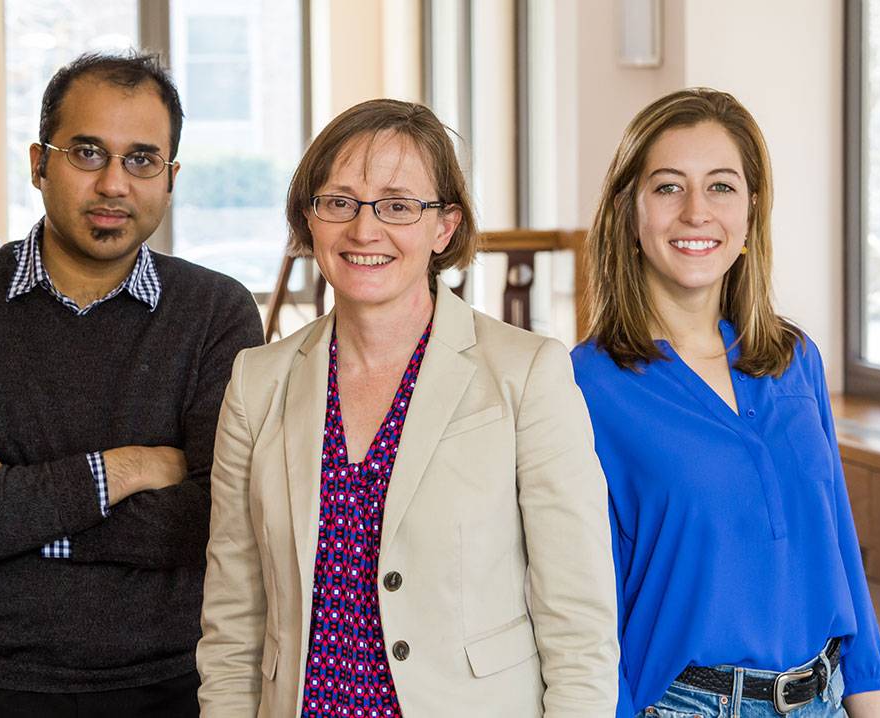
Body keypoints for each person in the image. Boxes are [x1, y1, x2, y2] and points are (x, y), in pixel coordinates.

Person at [196, 98, 619, 716]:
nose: (364, 230)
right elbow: (234, 622)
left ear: (444, 227)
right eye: (339, 202)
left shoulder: (526, 375)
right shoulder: (257, 382)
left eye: (398, 205)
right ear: (309, 219)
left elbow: (578, 624)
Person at [0, 52, 262, 717]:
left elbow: (217, 521)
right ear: (38, 162)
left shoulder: (215, 313)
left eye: (142, 159)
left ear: (170, 178)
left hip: (169, 687)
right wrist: (129, 467)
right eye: (88, 153)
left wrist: (8, 491)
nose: (115, 183)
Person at [571, 87, 880, 717]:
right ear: (629, 213)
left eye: (721, 186)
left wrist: (870, 703)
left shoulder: (794, 358)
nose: (697, 211)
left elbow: (839, 554)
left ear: (750, 212)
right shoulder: (585, 385)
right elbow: (585, 608)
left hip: (821, 699)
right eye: (668, 187)